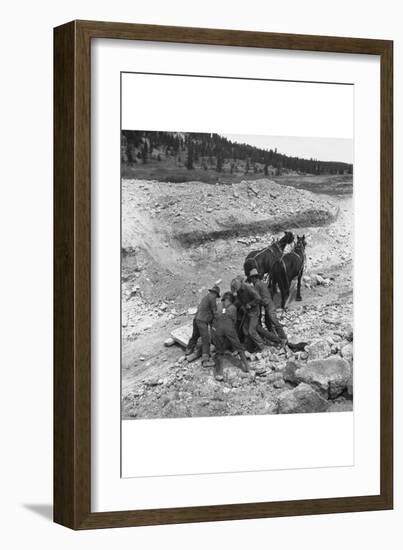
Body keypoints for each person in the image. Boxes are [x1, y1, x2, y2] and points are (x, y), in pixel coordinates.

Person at [211, 292, 249, 381]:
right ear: (231, 300)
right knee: (238, 347)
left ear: (224, 298)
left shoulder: (218, 305)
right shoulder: (233, 308)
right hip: (229, 328)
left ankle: (219, 373)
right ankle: (246, 367)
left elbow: (214, 317)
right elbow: (234, 321)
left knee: (219, 351)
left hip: (218, 328)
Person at [249, 268, 287, 344]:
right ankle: (276, 337)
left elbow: (257, 298)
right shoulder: (261, 283)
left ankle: (283, 338)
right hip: (269, 305)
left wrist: (250, 304)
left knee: (274, 321)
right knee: (269, 322)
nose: (251, 281)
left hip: (269, 306)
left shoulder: (257, 285)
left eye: (251, 279)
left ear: (254, 278)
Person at [186, 285, 220, 367]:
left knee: (195, 335)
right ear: (216, 293)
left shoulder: (205, 297)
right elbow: (214, 312)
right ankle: (205, 360)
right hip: (202, 321)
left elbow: (207, 311)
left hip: (196, 319)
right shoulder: (212, 298)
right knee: (206, 340)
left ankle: (188, 350)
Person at [230, 276, 266, 352]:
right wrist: (242, 306)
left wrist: (250, 304)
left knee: (251, 331)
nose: (237, 291)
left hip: (254, 312)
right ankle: (249, 347)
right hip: (247, 311)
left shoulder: (248, 288)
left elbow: (258, 298)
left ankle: (262, 346)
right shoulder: (239, 290)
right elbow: (239, 299)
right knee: (245, 329)